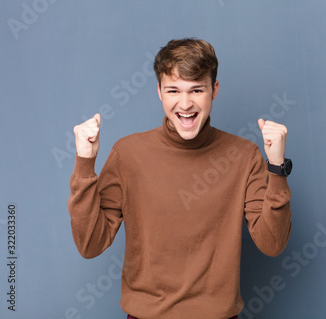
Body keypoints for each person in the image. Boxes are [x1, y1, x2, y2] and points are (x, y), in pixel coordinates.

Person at [68, 38, 293, 319]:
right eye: (173, 90)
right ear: (159, 92)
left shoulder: (243, 155)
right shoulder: (128, 154)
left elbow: (272, 244)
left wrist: (276, 168)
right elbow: (90, 244)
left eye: (197, 90)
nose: (185, 104)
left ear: (214, 90)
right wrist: (85, 164)